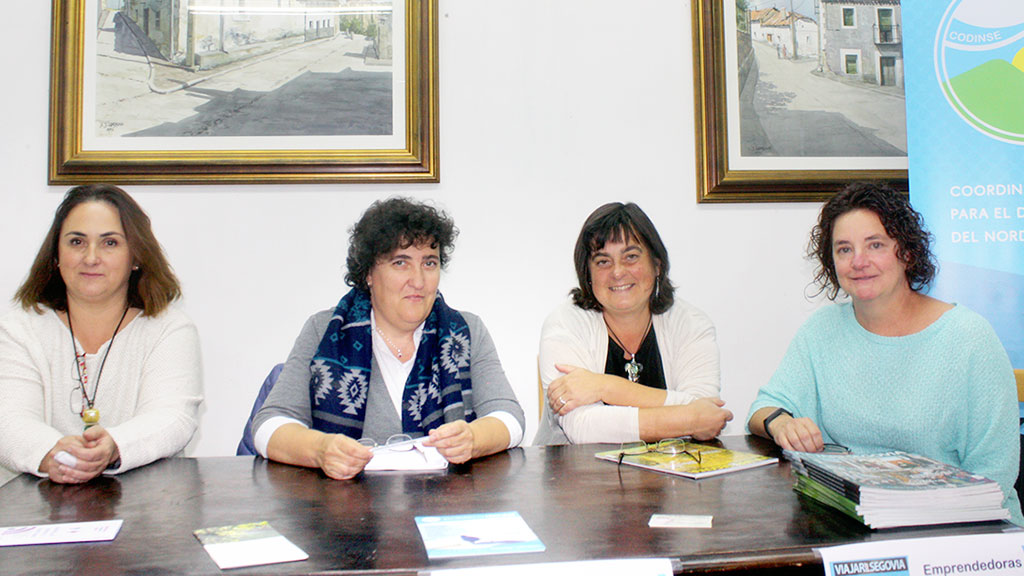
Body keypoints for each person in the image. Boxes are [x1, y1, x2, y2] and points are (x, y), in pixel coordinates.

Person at [747, 182, 1022, 525]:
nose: (858, 262)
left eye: (874, 245)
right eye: (844, 249)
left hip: (962, 529)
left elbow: (994, 473)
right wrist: (782, 422)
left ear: (906, 252)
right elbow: (763, 409)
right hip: (858, 523)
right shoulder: (822, 330)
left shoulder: (969, 338)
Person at [252, 197, 525, 480]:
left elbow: (510, 419)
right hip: (346, 512)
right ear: (369, 272)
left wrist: (472, 437)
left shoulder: (466, 331)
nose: (418, 280)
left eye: (429, 263)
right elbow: (268, 426)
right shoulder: (323, 331)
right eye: (400, 263)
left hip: (446, 508)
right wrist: (321, 449)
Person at [0, 184, 203, 485]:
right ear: (56, 255)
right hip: (38, 509)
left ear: (136, 256)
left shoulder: (170, 328)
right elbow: (9, 421)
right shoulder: (19, 327)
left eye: (110, 243)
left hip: (147, 511)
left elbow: (173, 418)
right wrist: (53, 452)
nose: (91, 257)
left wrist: (111, 446)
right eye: (77, 241)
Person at [535, 202, 733, 445]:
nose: (618, 272)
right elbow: (583, 429)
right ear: (587, 274)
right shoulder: (564, 325)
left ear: (657, 265)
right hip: (576, 476)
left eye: (631, 257)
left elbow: (706, 415)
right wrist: (687, 419)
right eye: (602, 261)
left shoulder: (692, 324)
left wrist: (605, 387)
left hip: (672, 475)